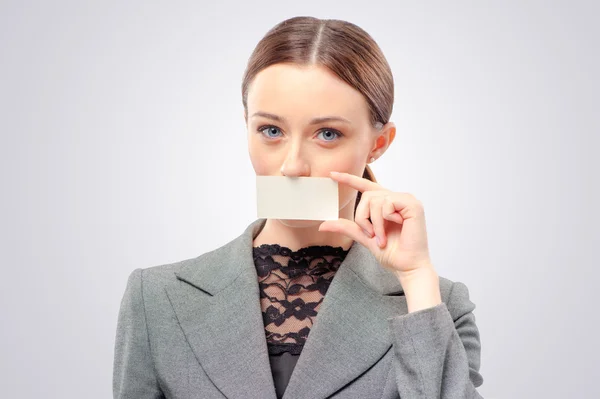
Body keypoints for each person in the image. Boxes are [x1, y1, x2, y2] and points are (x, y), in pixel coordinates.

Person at [113, 16, 484, 399]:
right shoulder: (156, 300)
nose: (293, 166)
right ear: (247, 126)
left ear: (379, 143)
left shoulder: (436, 305)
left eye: (327, 134)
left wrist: (416, 277)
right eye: (271, 131)